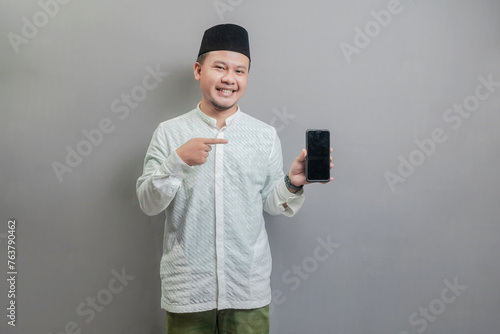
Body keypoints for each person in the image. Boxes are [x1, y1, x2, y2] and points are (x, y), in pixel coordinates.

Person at [136, 23, 333, 334]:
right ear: (199, 70)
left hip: (246, 287)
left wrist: (292, 182)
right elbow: (148, 203)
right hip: (188, 288)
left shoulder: (264, 135)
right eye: (220, 67)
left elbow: (270, 204)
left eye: (240, 71)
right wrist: (177, 161)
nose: (230, 78)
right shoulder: (169, 132)